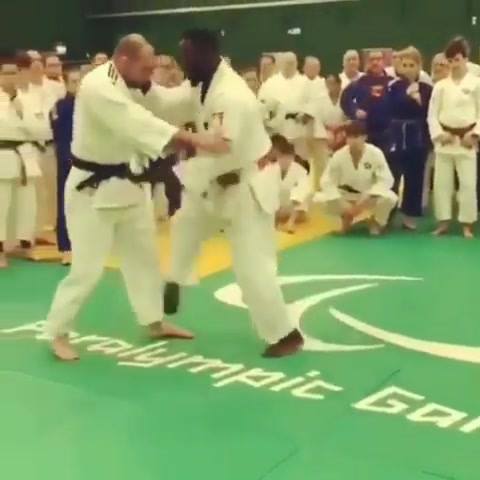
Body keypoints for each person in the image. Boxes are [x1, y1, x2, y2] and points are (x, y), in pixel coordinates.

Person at [44, 34, 228, 361]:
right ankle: (58, 331)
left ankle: (153, 321)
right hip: (92, 191)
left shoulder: (134, 81)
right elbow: (136, 122)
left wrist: (203, 81)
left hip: (130, 184)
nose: (150, 74)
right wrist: (195, 139)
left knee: (144, 258)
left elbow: (166, 102)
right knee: (86, 269)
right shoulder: (98, 86)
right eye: (146, 68)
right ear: (124, 60)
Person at [164, 29, 303, 358]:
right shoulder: (202, 83)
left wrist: (180, 140)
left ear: (206, 54)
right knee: (185, 223)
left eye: (187, 56)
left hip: (246, 185)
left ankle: (285, 334)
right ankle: (175, 280)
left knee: (252, 267)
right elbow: (172, 102)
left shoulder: (231, 95)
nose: (183, 63)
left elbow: (221, 146)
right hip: (215, 182)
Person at [428, 36, 480, 238]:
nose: (454, 64)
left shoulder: (476, 83)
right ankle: (443, 222)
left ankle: (467, 223)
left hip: (466, 139)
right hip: (445, 139)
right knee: (442, 184)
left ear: (466, 59)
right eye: (450, 60)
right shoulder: (441, 86)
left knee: (468, 184)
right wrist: (439, 134)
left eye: (457, 59)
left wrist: (474, 134)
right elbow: (432, 114)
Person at [0, 63, 47, 267]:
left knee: (27, 204)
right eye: (6, 73)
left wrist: (17, 104)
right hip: (3, 154)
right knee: (1, 205)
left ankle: (25, 243)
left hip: (26, 155)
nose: (10, 77)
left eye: (14, 73)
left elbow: (41, 129)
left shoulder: (30, 98)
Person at [316, 121, 398, 236]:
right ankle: (346, 218)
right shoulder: (339, 155)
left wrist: (369, 197)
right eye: (350, 137)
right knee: (320, 199)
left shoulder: (375, 153)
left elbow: (386, 179)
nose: (353, 141)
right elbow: (327, 180)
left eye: (357, 137)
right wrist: (341, 201)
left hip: (367, 195)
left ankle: (376, 222)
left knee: (390, 198)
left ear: (365, 137)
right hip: (346, 194)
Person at [388, 47, 432, 230]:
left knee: (415, 177)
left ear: (419, 66)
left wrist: (418, 99)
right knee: (392, 176)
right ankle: (387, 214)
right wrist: (407, 95)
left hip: (418, 136)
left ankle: (410, 215)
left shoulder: (427, 89)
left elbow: (430, 112)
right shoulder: (394, 86)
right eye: (404, 65)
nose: (407, 69)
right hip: (397, 135)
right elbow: (390, 107)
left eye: (411, 65)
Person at [341, 50, 394, 168]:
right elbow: (345, 100)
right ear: (367, 63)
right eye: (372, 60)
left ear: (384, 62)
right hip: (366, 133)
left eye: (378, 59)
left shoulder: (391, 81)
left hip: (387, 133)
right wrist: (355, 111)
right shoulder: (361, 82)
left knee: (387, 166)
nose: (375, 62)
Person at [51, 69, 82, 265]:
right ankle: (66, 247)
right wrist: (67, 157)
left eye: (80, 81)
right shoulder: (61, 106)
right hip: (68, 161)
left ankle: (85, 246)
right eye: (73, 81)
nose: (77, 85)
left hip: (91, 161)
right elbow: (59, 136)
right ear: (66, 83)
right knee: (65, 204)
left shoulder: (90, 105)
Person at [259, 52, 309, 160]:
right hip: (277, 134)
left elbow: (312, 106)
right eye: (287, 63)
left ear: (296, 64)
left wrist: (306, 115)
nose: (289, 65)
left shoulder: (305, 82)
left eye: (292, 63)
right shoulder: (270, 83)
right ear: (280, 64)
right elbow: (262, 108)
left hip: (300, 133)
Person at [304, 74, 348, 190]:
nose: (330, 86)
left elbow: (349, 117)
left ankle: (341, 186)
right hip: (324, 135)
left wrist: (341, 130)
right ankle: (320, 187)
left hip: (343, 134)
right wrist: (327, 134)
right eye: (328, 83)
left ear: (339, 84)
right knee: (322, 163)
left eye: (333, 83)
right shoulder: (320, 98)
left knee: (341, 162)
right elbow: (316, 118)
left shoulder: (346, 97)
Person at [270, 135, 311, 234]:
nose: (285, 161)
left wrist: (296, 198)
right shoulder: (271, 169)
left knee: (301, 193)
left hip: (293, 208)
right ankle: (274, 222)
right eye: (282, 157)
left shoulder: (300, 171)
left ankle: (290, 223)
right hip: (278, 208)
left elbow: (302, 191)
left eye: (288, 157)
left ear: (292, 157)